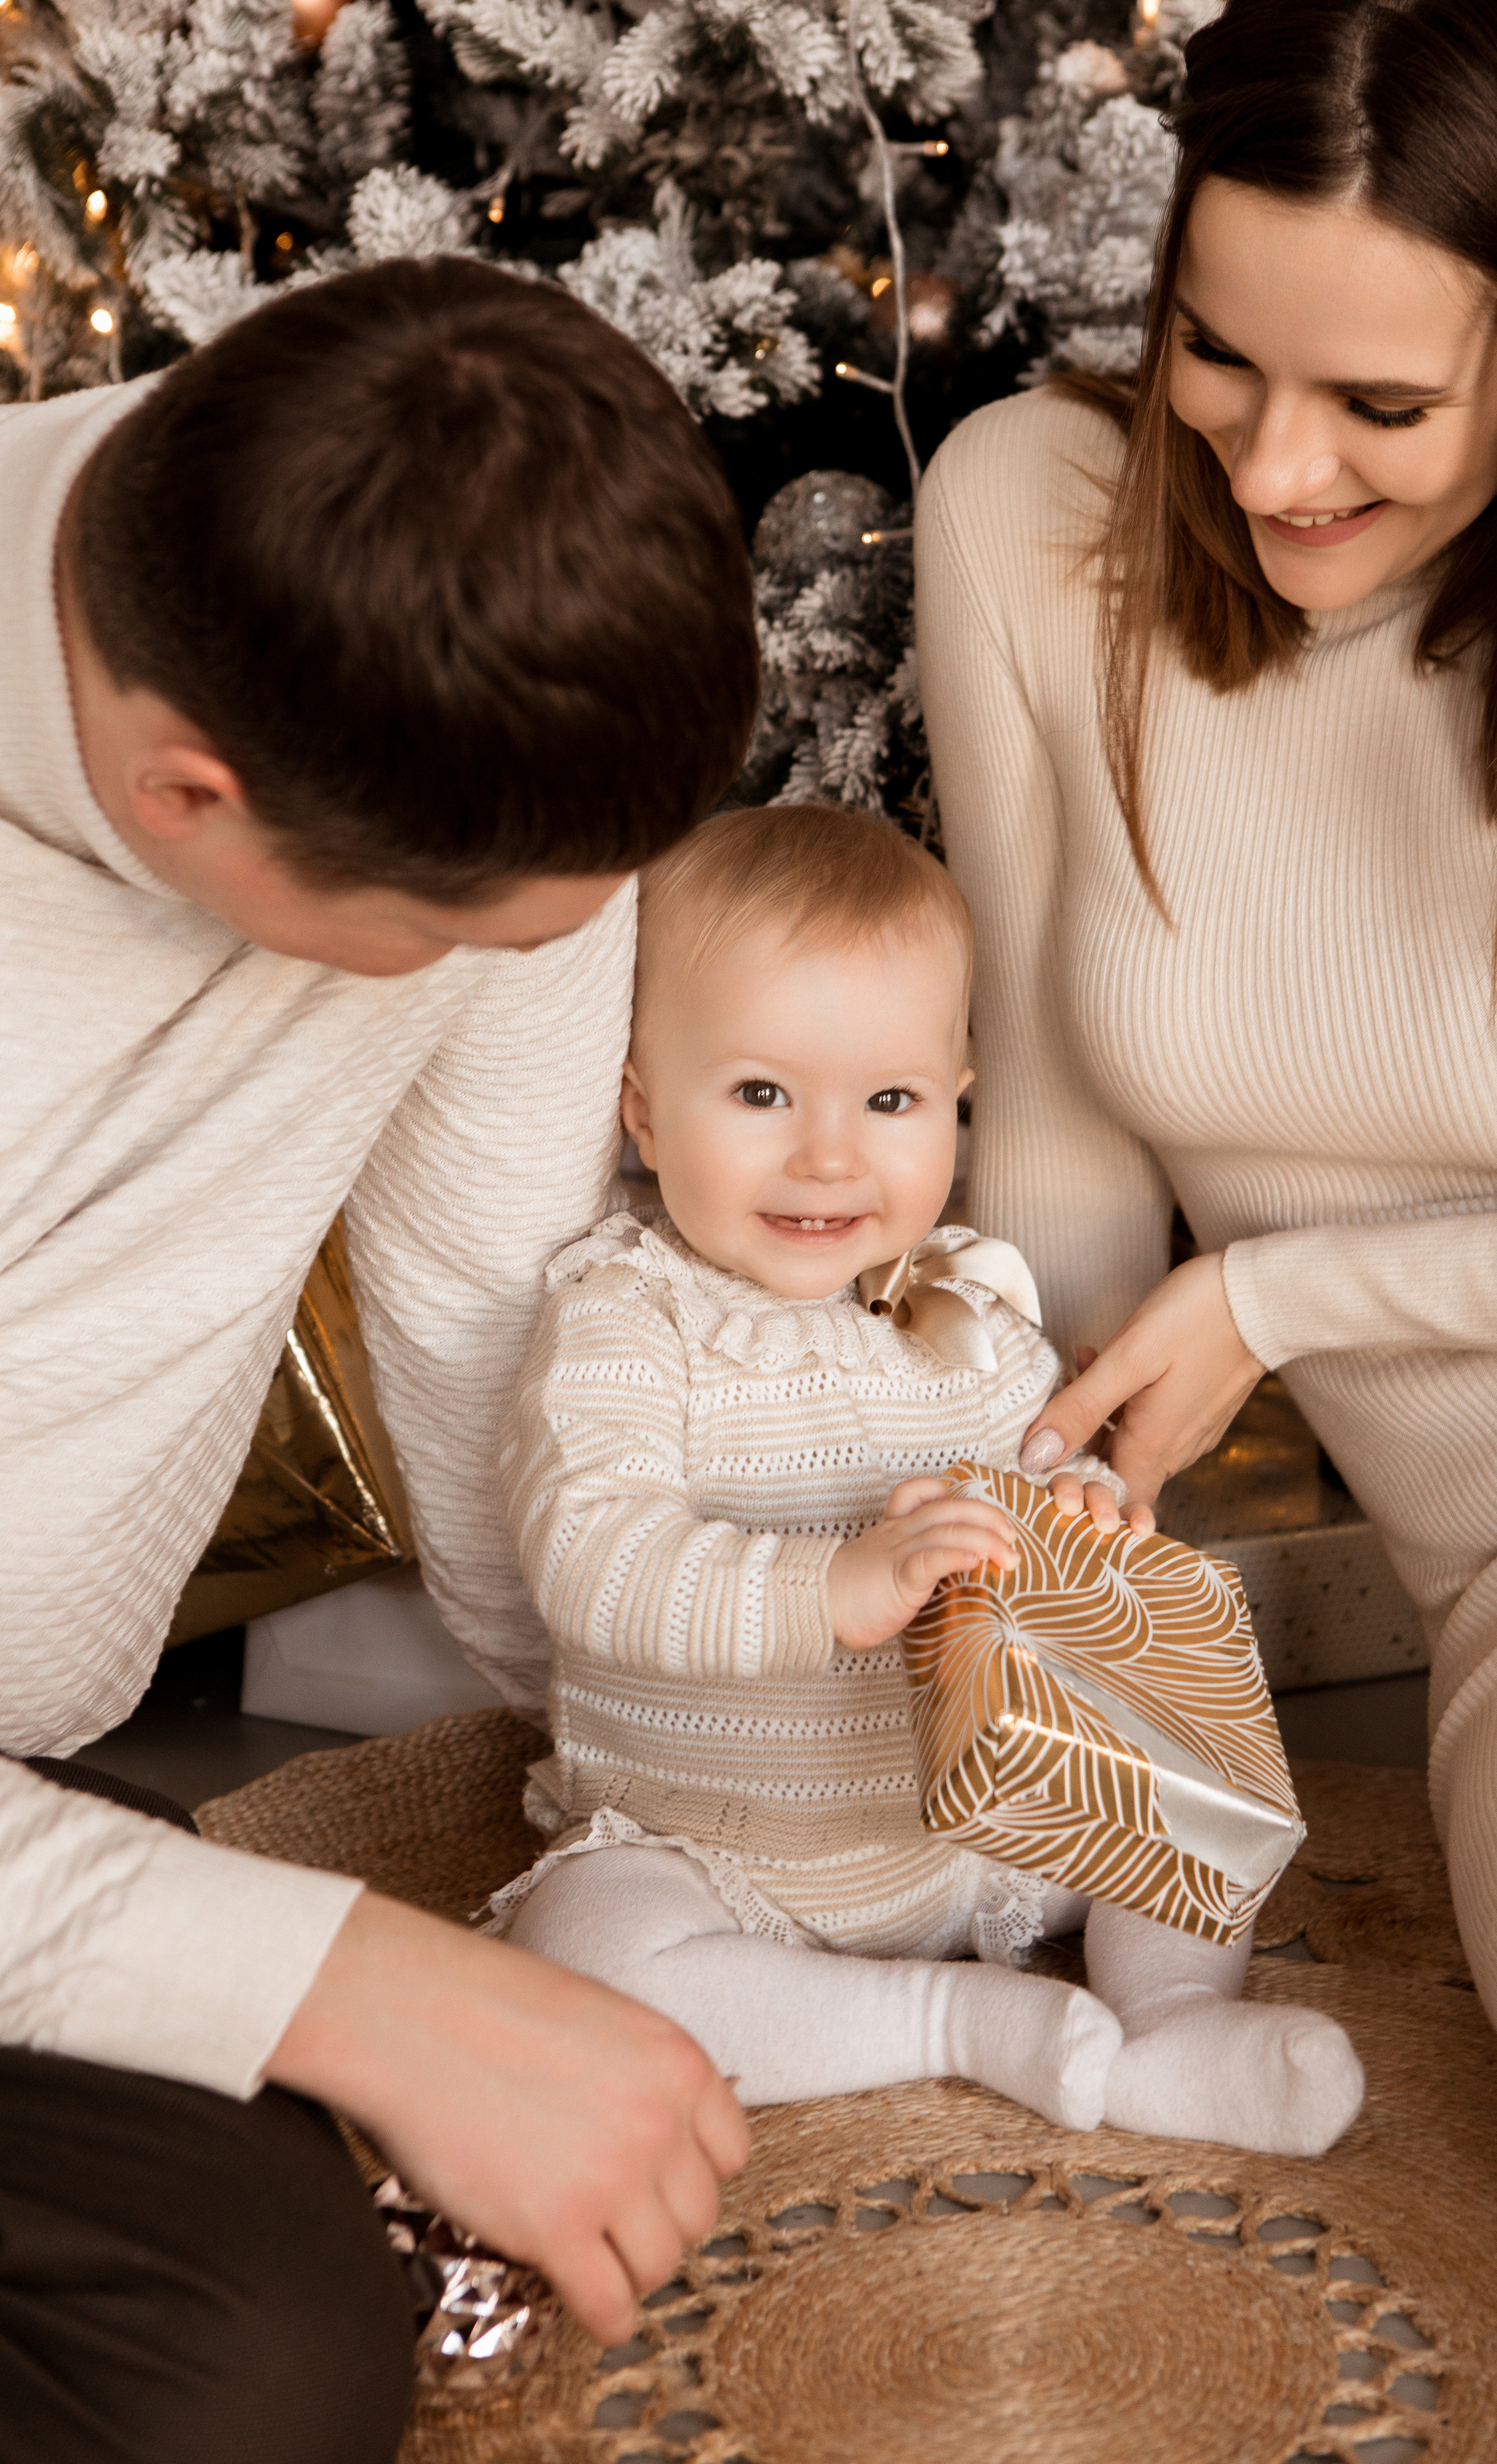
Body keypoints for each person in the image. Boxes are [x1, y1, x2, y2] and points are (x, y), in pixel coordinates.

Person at [0, 256, 755, 2462]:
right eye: (451, 941)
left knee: (261, 2360)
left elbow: (477, 1318)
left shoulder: (399, 630)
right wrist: (338, 1974)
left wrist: (673, 1760)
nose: (528, 972)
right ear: (184, 792)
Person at [916, 0, 1497, 2261]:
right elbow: (1051, 1132)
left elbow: (1240, 1298)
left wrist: (1293, 1293)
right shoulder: (1031, 520)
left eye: (1384, 405)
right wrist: (1036, 1598)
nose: (1270, 465)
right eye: (1223, 358)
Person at [487, 801, 1364, 2157]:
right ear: (643, 1113)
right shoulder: (622, 1317)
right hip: (726, 1854)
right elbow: (592, 1558)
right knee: (582, 1956)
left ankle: (1174, 2025)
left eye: (888, 1100)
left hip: (987, 1844)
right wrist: (831, 1586)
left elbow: (1062, 1530)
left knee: (1183, 1797)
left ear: (956, 1104)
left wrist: (1083, 1525)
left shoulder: (969, 1322)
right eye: (761, 1093)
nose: (829, 1153)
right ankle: (949, 2030)